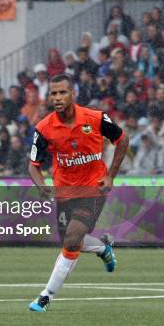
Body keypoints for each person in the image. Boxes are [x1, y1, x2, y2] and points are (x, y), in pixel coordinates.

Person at [28, 73, 129, 312]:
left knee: (72, 239)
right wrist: (41, 184)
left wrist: (110, 175)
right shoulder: (44, 128)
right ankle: (103, 249)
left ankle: (46, 296)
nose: (57, 97)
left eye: (62, 92)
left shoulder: (95, 118)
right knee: (72, 241)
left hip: (93, 188)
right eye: (53, 93)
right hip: (64, 191)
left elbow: (123, 140)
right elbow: (33, 165)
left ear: (73, 93)